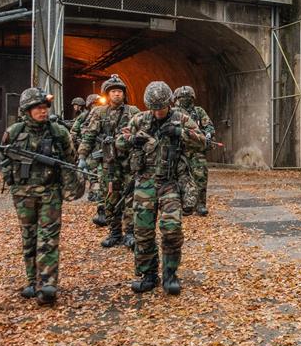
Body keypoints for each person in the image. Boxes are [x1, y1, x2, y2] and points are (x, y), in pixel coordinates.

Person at [117, 81, 205, 294]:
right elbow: (119, 141)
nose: (157, 113)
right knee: (143, 232)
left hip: (170, 182)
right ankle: (148, 275)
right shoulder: (139, 120)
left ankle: (170, 274)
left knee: (171, 229)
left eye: (161, 108)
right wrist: (132, 141)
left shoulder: (181, 119)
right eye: (154, 109)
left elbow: (202, 142)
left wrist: (180, 132)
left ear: (169, 104)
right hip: (144, 183)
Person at [0, 88, 84, 305]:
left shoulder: (58, 132)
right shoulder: (15, 132)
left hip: (50, 193)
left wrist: (68, 185)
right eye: (38, 107)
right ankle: (32, 280)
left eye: (45, 107)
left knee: (48, 237)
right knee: (29, 237)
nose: (43, 111)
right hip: (23, 194)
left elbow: (70, 159)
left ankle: (47, 284)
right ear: (27, 110)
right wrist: (13, 182)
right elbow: (5, 160)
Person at [77, 74, 140, 248]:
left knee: (130, 197)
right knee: (110, 198)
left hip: (128, 163)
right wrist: (82, 156)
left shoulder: (133, 112)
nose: (117, 94)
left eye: (119, 91)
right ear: (107, 94)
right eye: (113, 92)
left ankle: (130, 233)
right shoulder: (99, 112)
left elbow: (143, 132)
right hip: (109, 163)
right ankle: (114, 232)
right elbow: (89, 135)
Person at [174, 86, 215, 216]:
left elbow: (209, 126)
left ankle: (200, 204)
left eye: (188, 97)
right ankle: (185, 204)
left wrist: (207, 135)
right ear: (177, 99)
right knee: (181, 177)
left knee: (200, 176)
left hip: (197, 150)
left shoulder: (198, 111)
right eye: (182, 97)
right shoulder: (174, 112)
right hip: (180, 150)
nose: (185, 99)